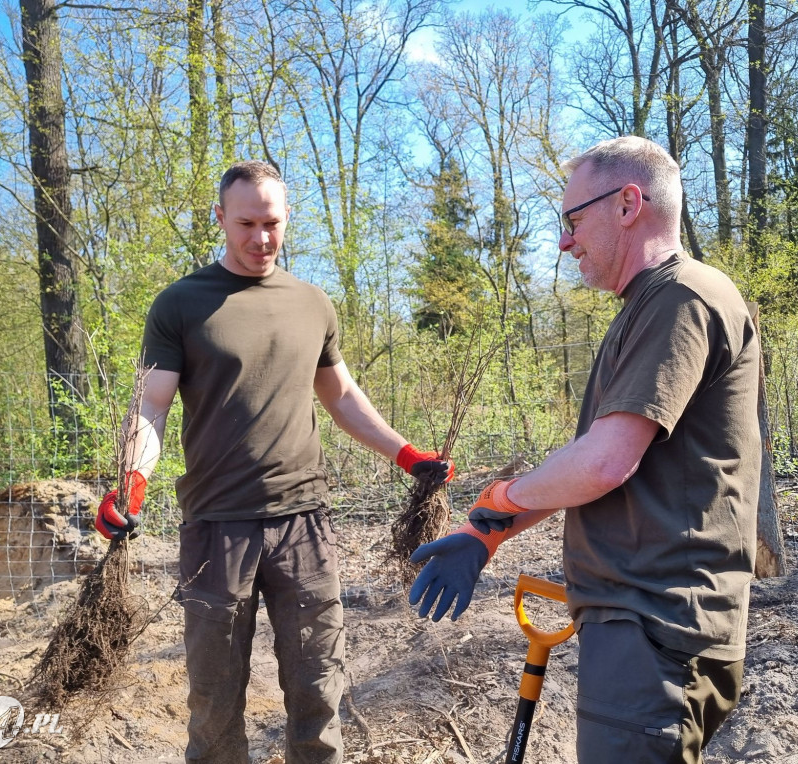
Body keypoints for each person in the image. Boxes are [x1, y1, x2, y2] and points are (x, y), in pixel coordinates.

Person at [409, 136, 761, 764]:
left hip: (656, 627)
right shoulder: (647, 308)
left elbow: (604, 463)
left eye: (573, 219)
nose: (565, 241)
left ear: (629, 204)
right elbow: (590, 465)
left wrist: (501, 497)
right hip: (638, 626)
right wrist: (487, 532)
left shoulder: (681, 298)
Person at [95, 160, 453, 764]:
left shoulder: (312, 303)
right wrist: (132, 482)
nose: (261, 238)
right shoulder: (181, 304)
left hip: (303, 526)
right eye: (246, 223)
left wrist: (406, 453)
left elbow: (341, 396)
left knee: (319, 691)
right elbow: (150, 406)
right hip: (216, 529)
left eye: (273, 223)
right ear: (220, 219)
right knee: (215, 704)